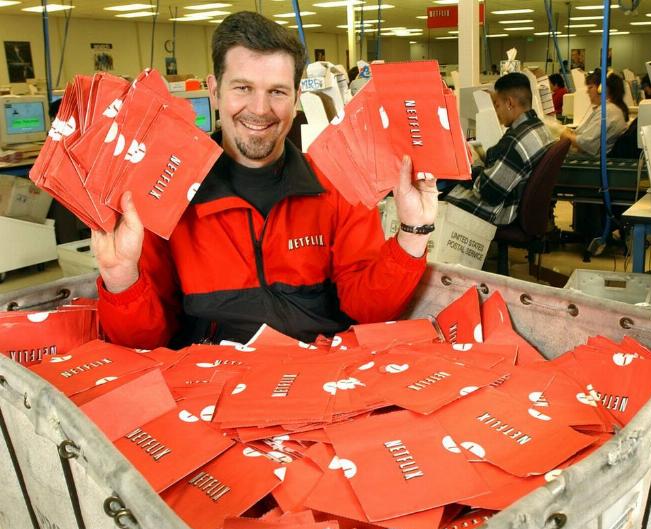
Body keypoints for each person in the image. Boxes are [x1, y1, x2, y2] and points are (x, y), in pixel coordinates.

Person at [93, 12, 438, 348]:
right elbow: (146, 343)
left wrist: (413, 231)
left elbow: (368, 310)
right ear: (214, 90)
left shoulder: (337, 184)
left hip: (322, 382)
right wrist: (121, 275)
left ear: (297, 95)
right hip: (210, 391)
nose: (260, 109)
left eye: (277, 92)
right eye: (243, 87)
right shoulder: (167, 195)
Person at [444, 73, 554, 226]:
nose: (496, 111)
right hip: (519, 203)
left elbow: (489, 192)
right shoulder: (538, 128)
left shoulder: (516, 143)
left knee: (441, 203)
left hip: (504, 211)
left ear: (509, 103)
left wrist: (471, 169)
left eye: (497, 105)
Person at [560, 70, 628, 157]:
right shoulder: (611, 109)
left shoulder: (607, 111)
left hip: (591, 164)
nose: (587, 92)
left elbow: (585, 143)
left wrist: (566, 135)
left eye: (590, 87)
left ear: (602, 89)